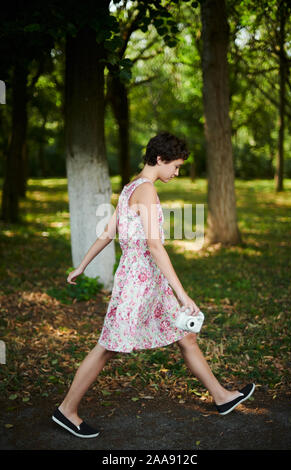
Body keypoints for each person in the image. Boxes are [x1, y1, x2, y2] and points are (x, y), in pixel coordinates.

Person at [52, 131, 255, 438]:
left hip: (149, 281)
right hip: (138, 281)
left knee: (185, 336)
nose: (177, 172)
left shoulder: (130, 187)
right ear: (159, 159)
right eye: (175, 166)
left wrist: (82, 265)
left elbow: (109, 233)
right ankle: (66, 410)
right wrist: (183, 294)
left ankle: (221, 396)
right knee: (108, 346)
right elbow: (155, 246)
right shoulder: (145, 190)